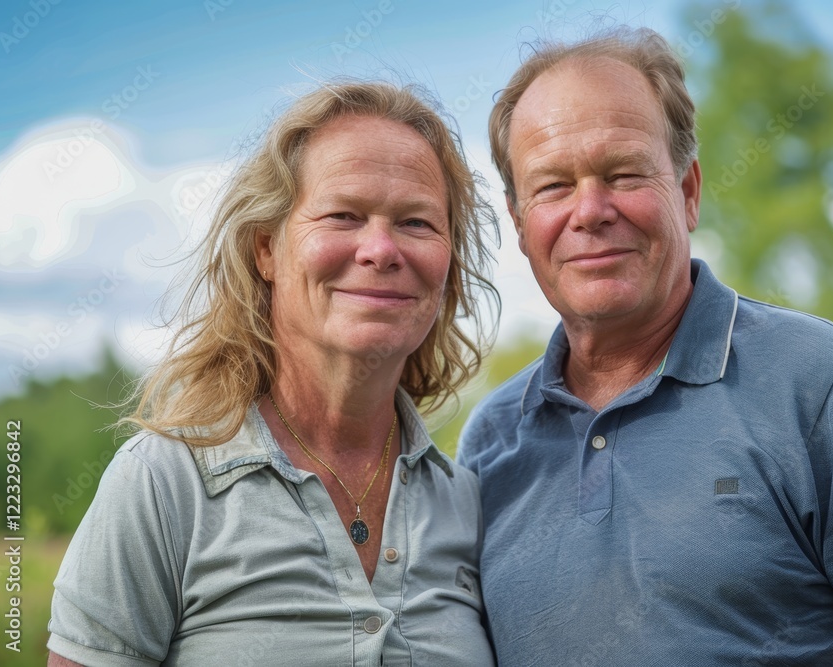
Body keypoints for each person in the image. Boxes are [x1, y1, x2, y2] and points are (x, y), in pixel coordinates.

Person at [457, 28, 833, 666]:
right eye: (553, 186)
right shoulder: (490, 442)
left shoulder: (819, 382)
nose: (591, 210)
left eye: (624, 173)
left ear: (688, 192)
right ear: (518, 223)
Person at [47, 80, 499, 665]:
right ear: (267, 250)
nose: (381, 249)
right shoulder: (163, 486)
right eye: (343, 214)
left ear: (448, 269)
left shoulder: (468, 504)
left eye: (416, 222)